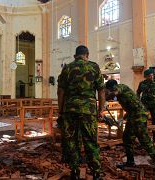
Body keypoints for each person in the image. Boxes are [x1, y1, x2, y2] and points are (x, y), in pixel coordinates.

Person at [105, 80, 155, 179]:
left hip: (139, 116)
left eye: (108, 90)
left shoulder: (121, 87)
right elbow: (131, 107)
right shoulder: (121, 95)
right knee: (127, 138)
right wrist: (122, 119)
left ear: (111, 87)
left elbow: (116, 91)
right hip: (133, 115)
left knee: (145, 141)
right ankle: (130, 162)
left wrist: (105, 97)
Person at [57, 45, 105, 180]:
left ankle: (75, 172)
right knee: (90, 141)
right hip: (88, 111)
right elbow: (101, 91)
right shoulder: (94, 67)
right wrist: (101, 110)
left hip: (70, 110)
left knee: (71, 141)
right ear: (87, 55)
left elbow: (61, 92)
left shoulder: (67, 68)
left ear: (75, 56)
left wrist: (60, 112)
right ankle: (96, 173)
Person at [137, 69, 155, 141]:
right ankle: (144, 138)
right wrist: (138, 103)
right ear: (145, 77)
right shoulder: (142, 84)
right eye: (149, 76)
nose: (151, 77)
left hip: (154, 105)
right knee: (143, 121)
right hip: (144, 105)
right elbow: (138, 93)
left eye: (152, 75)